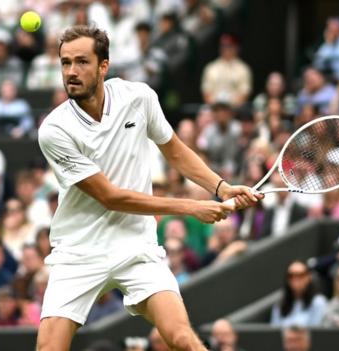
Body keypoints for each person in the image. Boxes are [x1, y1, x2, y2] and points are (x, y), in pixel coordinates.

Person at [36, 25, 261, 350]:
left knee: (182, 338)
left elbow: (174, 150)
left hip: (135, 246)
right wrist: (191, 207)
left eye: (82, 62)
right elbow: (110, 197)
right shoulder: (55, 130)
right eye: (65, 63)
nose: (71, 72)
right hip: (78, 251)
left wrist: (221, 187)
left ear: (103, 66)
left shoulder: (138, 98)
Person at [270, 260, 327, 327]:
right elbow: (274, 331)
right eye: (291, 276)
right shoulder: (280, 304)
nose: (295, 279)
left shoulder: (318, 302)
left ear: (308, 277)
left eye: (300, 275)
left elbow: (316, 331)